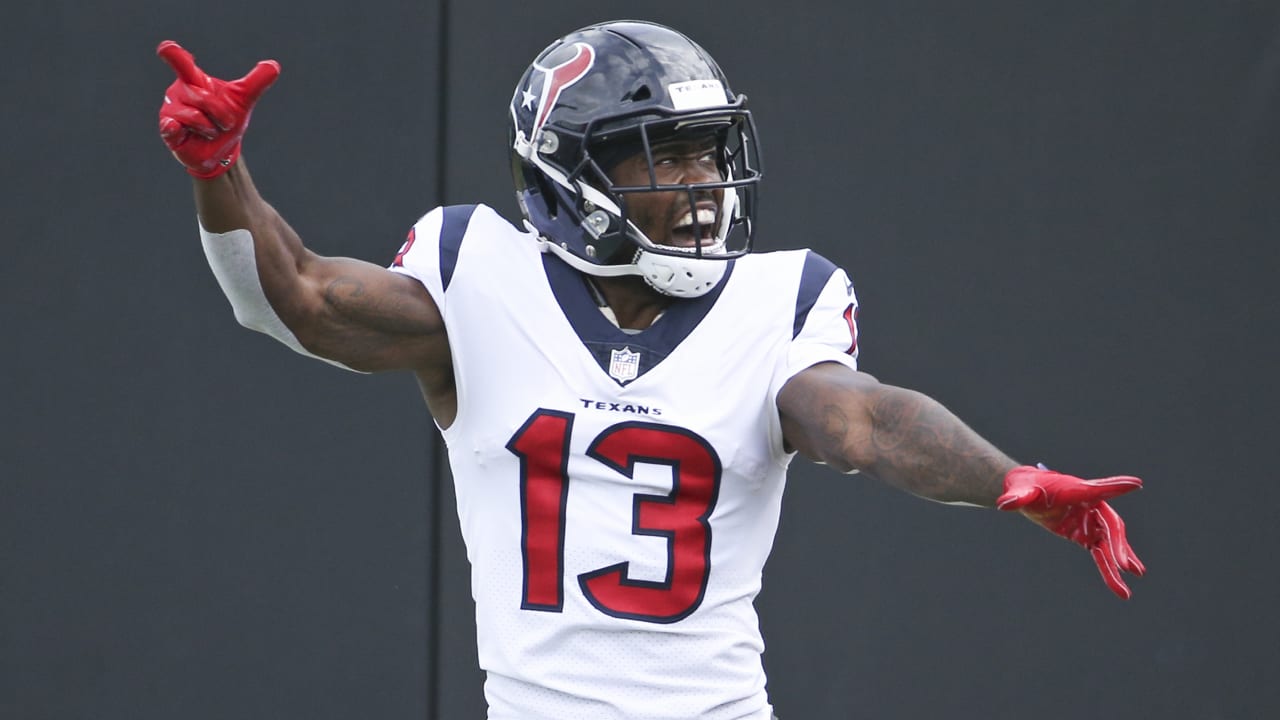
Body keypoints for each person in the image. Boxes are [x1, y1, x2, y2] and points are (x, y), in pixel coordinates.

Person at [155, 20, 1144, 720]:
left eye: (708, 154)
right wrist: (221, 169)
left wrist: (1005, 478)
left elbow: (864, 424)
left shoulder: (778, 299)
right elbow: (296, 300)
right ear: (568, 176)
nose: (703, 184)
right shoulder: (479, 276)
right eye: (664, 158)